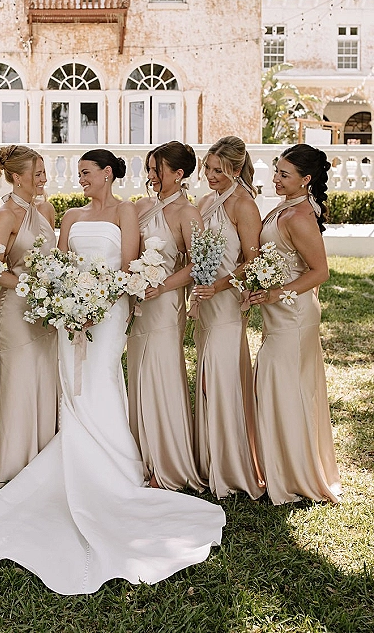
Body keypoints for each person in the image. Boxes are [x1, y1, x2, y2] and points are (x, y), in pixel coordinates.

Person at [0, 149, 225, 596]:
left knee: (100, 380)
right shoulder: (70, 216)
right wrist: (67, 302)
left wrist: (99, 302)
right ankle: (75, 456)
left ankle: (115, 467)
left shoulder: (128, 211)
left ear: (107, 174)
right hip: (67, 313)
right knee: (71, 385)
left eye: (86, 173)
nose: (79, 180)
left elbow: (128, 266)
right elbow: (56, 266)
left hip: (109, 312)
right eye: (77, 174)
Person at [248, 144, 341, 505]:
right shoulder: (281, 208)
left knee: (285, 387)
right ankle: (281, 470)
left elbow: (321, 272)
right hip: (278, 313)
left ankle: (298, 476)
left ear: (306, 180)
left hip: (295, 314)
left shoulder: (300, 216)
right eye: (277, 171)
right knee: (279, 387)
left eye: (285, 174)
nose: (276, 178)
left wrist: (277, 293)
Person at [127, 141, 204, 492]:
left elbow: (197, 266)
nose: (151, 176)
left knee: (161, 377)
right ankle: (137, 456)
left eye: (158, 170)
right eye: (150, 169)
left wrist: (161, 286)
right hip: (138, 306)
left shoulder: (188, 214)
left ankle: (167, 464)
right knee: (138, 375)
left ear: (179, 173)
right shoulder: (142, 206)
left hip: (166, 304)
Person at [192, 136, 265, 500]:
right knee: (206, 379)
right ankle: (209, 462)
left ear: (236, 170)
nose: (210, 175)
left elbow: (252, 261)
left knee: (221, 380)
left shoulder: (243, 205)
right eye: (207, 167)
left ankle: (231, 469)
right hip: (203, 305)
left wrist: (218, 286)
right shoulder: (205, 202)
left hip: (225, 304)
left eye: (218, 170)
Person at [0, 145, 58, 487]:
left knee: (43, 380)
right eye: (38, 173)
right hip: (16, 310)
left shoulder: (45, 210)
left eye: (43, 172)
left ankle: (43, 457)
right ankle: (16, 463)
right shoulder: (6, 216)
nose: (44, 178)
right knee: (19, 383)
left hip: (45, 314)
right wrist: (30, 286)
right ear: (17, 177)